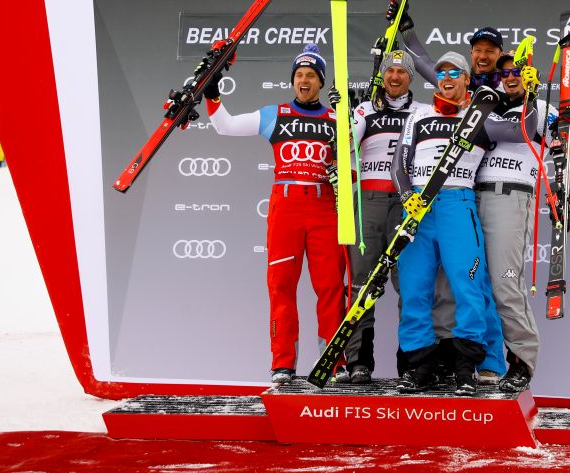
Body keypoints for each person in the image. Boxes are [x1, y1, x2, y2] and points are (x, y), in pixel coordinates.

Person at [391, 52, 537, 396]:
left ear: (466, 79)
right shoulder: (419, 115)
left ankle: (465, 366)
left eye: (455, 71)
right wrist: (405, 194)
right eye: (441, 72)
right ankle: (419, 366)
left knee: (468, 288)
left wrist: (529, 95)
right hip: (418, 209)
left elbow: (523, 131)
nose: (446, 76)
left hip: (458, 203)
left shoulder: (480, 119)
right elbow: (401, 160)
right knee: (415, 289)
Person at [204, 43, 347, 385]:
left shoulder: (334, 119)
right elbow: (225, 125)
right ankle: (283, 363)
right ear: (293, 80)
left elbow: (353, 165)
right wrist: (211, 92)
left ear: (321, 81)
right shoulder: (276, 114)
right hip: (286, 207)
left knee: (329, 287)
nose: (304, 80)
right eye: (299, 74)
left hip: (324, 206)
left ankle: (333, 361)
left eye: (311, 75)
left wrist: (346, 156)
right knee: (281, 285)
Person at [474, 51, 570, 393]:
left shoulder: (543, 111)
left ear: (531, 77)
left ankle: (522, 359)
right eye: (504, 72)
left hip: (511, 197)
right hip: (469, 196)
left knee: (506, 282)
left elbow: (567, 154)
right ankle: (476, 361)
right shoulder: (488, 107)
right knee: (471, 283)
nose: (510, 76)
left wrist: (568, 128)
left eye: (517, 71)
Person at [340, 50, 430, 384]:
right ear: (383, 76)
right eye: (390, 71)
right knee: (362, 283)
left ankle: (411, 361)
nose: (395, 77)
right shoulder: (366, 108)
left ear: (411, 77)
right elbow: (345, 144)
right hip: (369, 200)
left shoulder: (423, 112)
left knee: (411, 285)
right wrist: (343, 114)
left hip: (406, 200)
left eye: (402, 72)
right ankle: (359, 361)